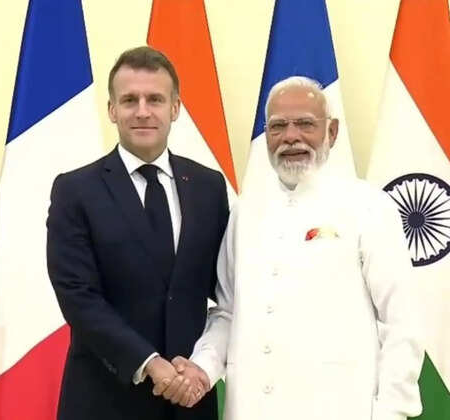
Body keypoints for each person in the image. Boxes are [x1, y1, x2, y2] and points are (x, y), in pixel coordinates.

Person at [160, 76, 423, 419]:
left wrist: (392, 411)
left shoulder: (367, 205)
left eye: (305, 124)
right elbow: (228, 312)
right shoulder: (245, 210)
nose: (291, 137)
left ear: (331, 132)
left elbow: (402, 320)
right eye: (278, 126)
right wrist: (203, 368)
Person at [46, 46, 228, 420]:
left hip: (189, 402)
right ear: (112, 110)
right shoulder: (75, 190)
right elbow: (78, 296)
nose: (143, 111)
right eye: (130, 100)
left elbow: (224, 290)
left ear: (175, 108)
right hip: (103, 401)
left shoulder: (209, 187)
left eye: (155, 99)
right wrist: (149, 362)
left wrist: (202, 367)